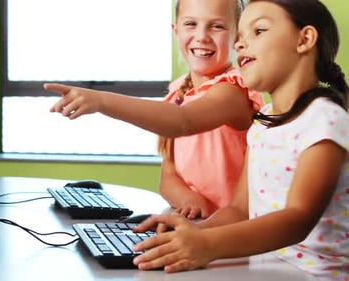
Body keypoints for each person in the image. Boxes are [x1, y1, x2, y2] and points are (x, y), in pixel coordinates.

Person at [131, 0, 349, 279]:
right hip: (265, 268)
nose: (240, 44)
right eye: (240, 36)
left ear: (304, 39)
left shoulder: (325, 119)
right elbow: (238, 209)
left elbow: (298, 218)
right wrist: (192, 233)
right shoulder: (263, 122)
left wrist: (208, 244)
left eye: (258, 31)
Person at [44, 0, 264, 220]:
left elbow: (183, 121)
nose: (202, 36)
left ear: (237, 37)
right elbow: (168, 178)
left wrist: (101, 100)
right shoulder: (178, 94)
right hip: (198, 231)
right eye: (191, 24)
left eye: (216, 26)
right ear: (175, 31)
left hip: (234, 236)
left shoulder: (234, 91)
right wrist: (189, 199)